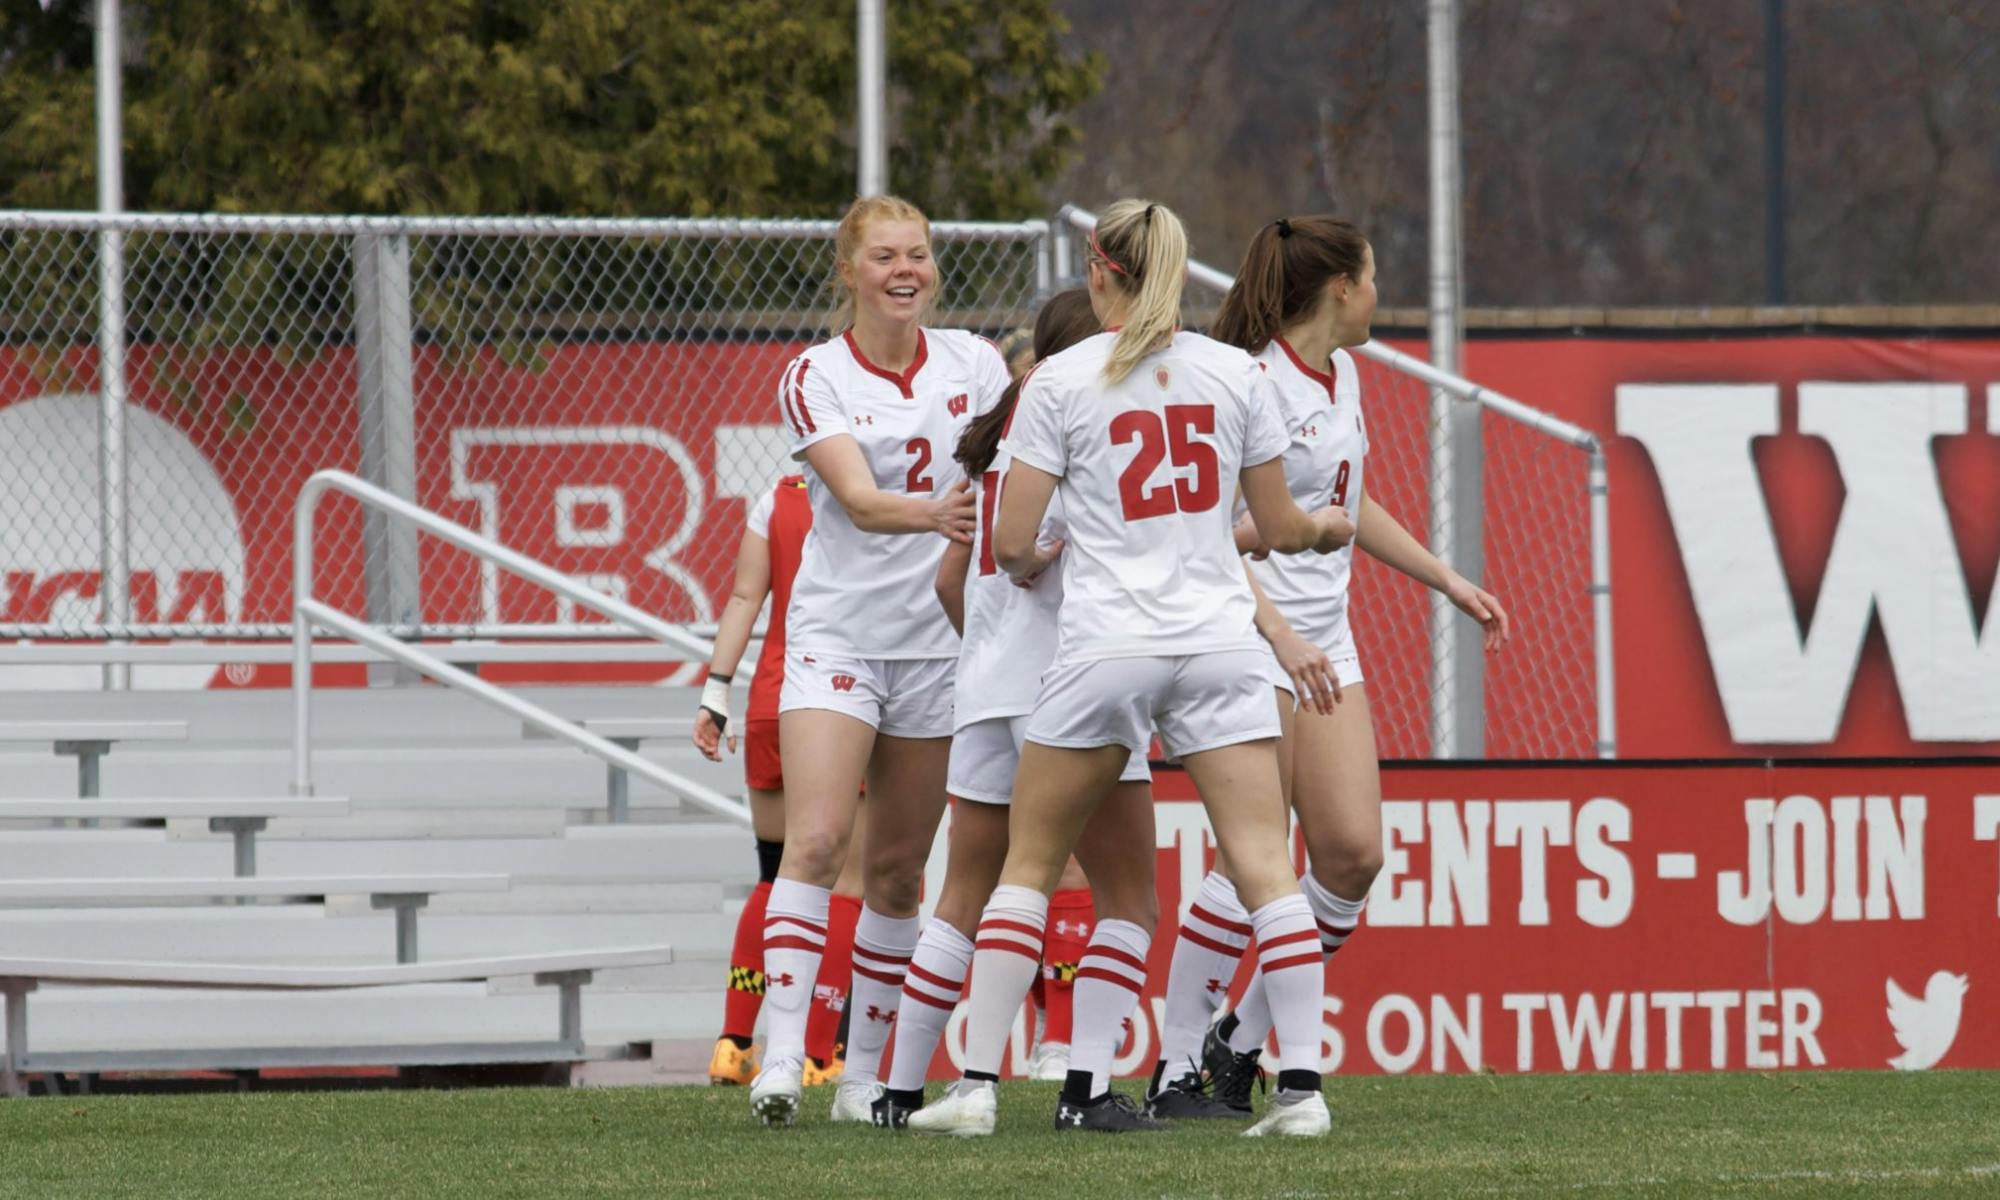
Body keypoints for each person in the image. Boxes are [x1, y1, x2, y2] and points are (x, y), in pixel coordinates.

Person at [908, 199, 1353, 1139]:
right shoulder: (1236, 372)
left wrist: (1041, 560)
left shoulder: (1061, 379)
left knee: (1026, 866)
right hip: (1222, 643)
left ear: (1098, 268)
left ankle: (977, 1090)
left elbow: (1017, 541)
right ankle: (1303, 1093)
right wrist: (1324, 529)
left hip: (1110, 646)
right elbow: (1278, 530)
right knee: (1270, 868)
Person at [1147, 216, 1511, 1116]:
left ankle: (1241, 1037)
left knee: (1352, 855)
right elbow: (1212, 535)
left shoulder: (1341, 373)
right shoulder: (1248, 382)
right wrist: (1277, 633)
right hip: (1248, 640)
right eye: (1375, 277)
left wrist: (1446, 579)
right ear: (1340, 289)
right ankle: (1175, 1066)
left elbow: (1341, 498)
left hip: (1325, 643)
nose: (1380, 295)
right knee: (1247, 860)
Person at [749, 195, 1010, 1127]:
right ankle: (782, 1058)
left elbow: (1016, 460)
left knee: (901, 873)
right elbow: (857, 501)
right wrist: (943, 512)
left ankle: (864, 1076)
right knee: (817, 844)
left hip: (942, 649)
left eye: (921, 255)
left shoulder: (977, 363)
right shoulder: (814, 373)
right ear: (849, 271)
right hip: (840, 638)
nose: (907, 271)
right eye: (886, 256)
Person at [874, 290, 1161, 1134]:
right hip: (1073, 689)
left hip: (988, 690)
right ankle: (1085, 1090)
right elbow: (1051, 562)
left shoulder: (992, 444)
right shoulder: (1086, 429)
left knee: (963, 891)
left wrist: (991, 663)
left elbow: (947, 583)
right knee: (1127, 900)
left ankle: (899, 1092)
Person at [695, 475, 864, 1089]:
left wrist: (716, 695)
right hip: (842, 699)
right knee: (847, 883)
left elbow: (744, 598)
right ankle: (819, 1053)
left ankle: (734, 1043)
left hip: (771, 700)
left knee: (775, 875)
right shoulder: (877, 494)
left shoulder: (779, 497)